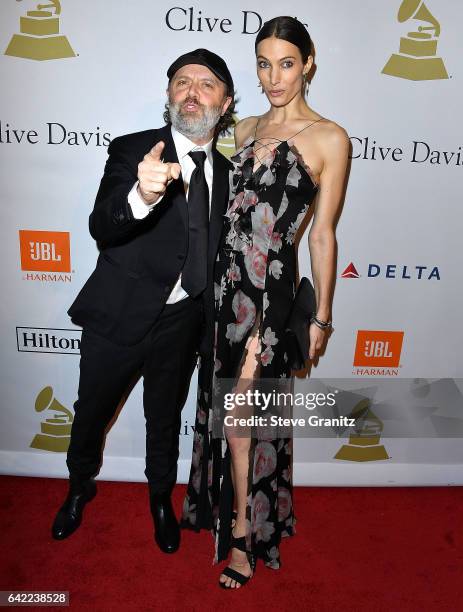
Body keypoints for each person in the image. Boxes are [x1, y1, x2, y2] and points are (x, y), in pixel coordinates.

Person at [181, 17, 349, 587]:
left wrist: (322, 313)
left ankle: (242, 536)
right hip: (224, 296)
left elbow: (322, 234)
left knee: (240, 412)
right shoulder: (244, 128)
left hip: (270, 299)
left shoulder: (329, 138)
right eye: (263, 63)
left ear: (307, 63)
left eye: (285, 63)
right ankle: (241, 515)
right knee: (234, 413)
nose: (273, 77)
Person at [51, 49, 235, 555]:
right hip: (117, 314)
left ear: (226, 101)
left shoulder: (228, 172)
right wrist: (141, 196)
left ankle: (160, 499)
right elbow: (101, 227)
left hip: (182, 322)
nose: (192, 91)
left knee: (163, 419)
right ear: (169, 94)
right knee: (90, 415)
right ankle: (78, 487)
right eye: (181, 81)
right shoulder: (133, 150)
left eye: (206, 83)